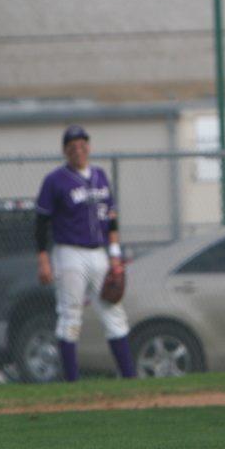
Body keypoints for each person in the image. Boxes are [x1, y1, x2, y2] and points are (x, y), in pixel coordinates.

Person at [35, 125, 136, 380]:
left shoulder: (100, 175)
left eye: (82, 144)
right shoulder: (55, 180)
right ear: (65, 151)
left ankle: (130, 378)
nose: (78, 150)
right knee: (70, 315)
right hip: (69, 253)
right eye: (72, 146)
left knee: (114, 313)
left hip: (99, 253)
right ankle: (72, 382)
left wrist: (114, 255)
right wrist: (43, 260)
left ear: (89, 147)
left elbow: (111, 219)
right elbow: (40, 223)